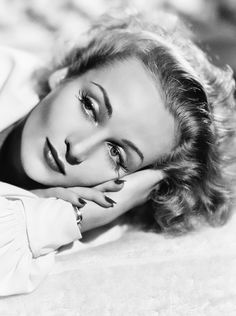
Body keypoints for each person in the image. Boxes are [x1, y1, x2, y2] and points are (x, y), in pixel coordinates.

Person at [0, 11, 235, 296]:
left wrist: (75, 217)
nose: (78, 147)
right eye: (89, 107)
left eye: (116, 153)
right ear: (63, 75)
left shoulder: (86, 220)